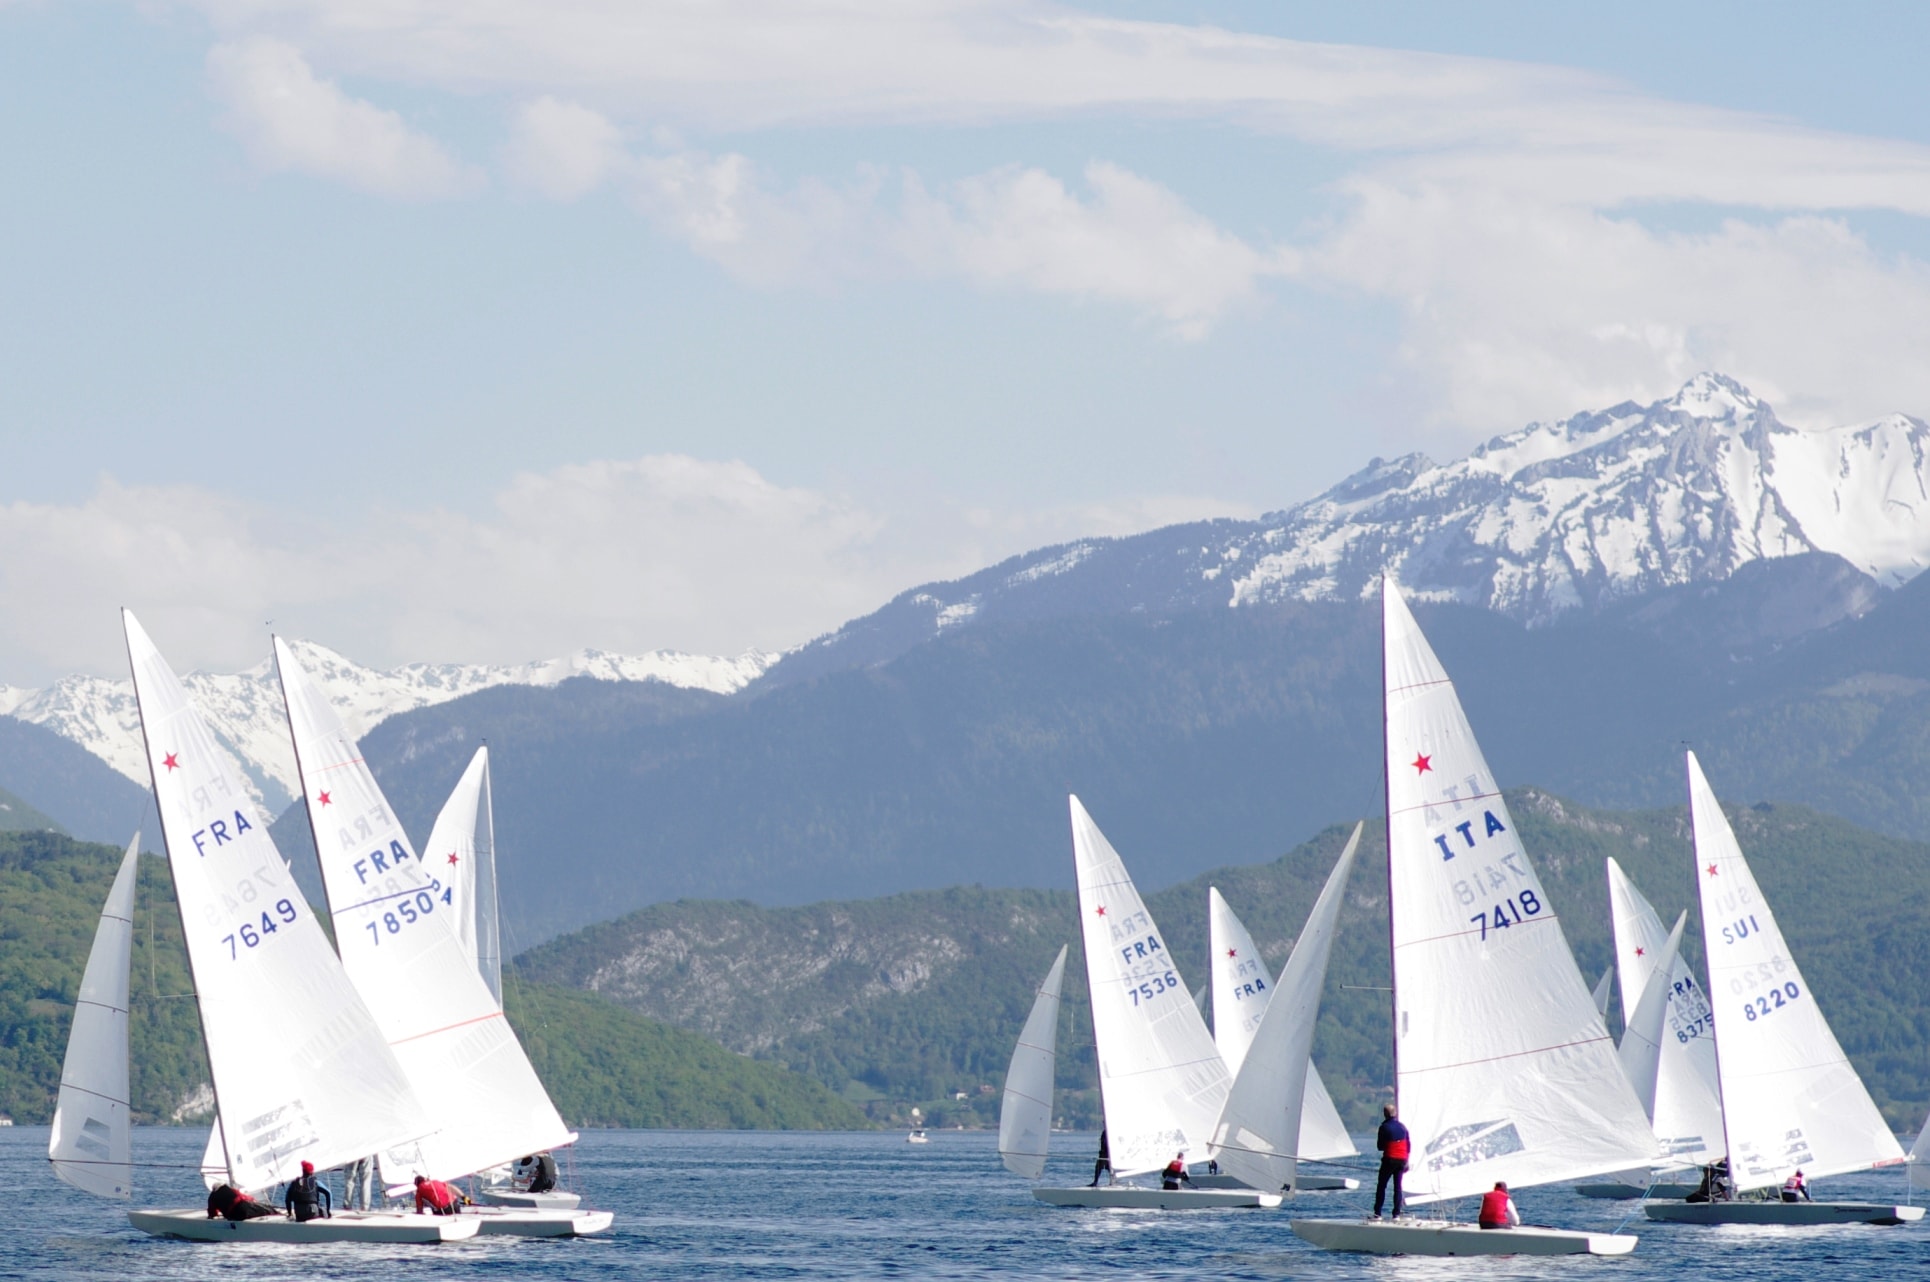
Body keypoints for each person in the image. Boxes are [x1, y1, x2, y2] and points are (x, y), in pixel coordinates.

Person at [1373, 1103, 1409, 1220]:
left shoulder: (1384, 1127)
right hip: (1402, 1160)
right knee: (1397, 1187)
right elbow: (1408, 1145)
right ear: (1395, 1113)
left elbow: (1380, 1146)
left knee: (1381, 1186)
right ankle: (1396, 1214)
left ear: (1385, 1114)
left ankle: (1378, 1214)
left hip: (1389, 1160)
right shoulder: (1403, 1127)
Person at [206, 1182, 281, 1221]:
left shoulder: (212, 1197)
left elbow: (212, 1212)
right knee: (266, 1210)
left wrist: (213, 1215)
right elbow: (243, 1197)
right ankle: (277, 1213)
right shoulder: (231, 1190)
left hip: (234, 1215)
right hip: (244, 1208)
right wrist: (253, 1200)